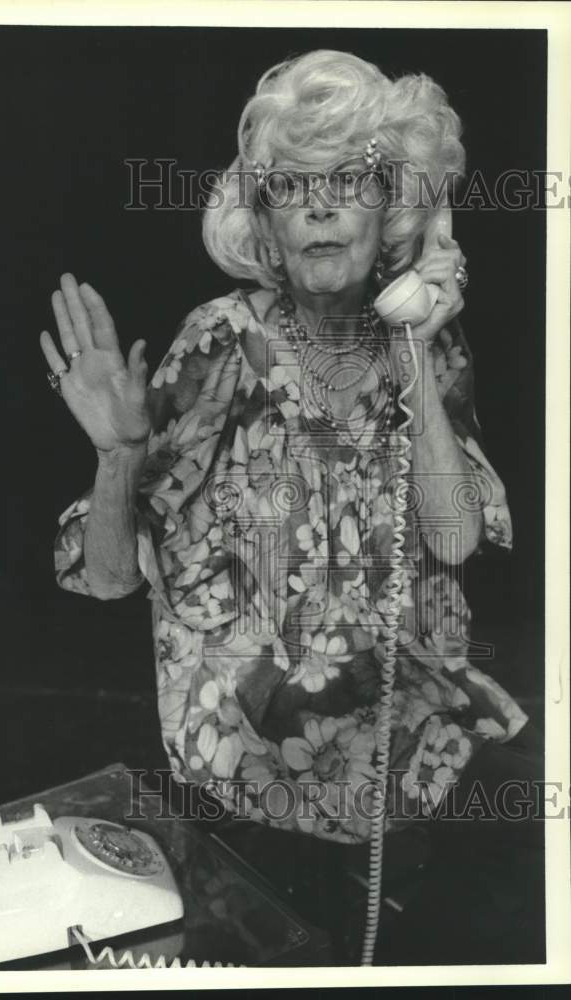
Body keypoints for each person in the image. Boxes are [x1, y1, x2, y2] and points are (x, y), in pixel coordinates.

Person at [40, 50, 543, 961]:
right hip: (253, 779)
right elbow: (112, 577)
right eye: (288, 186)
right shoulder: (223, 346)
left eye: (348, 181)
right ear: (265, 229)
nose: (318, 206)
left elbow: (457, 538)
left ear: (390, 210)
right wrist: (118, 454)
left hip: (408, 764)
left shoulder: (427, 341)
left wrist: (420, 350)